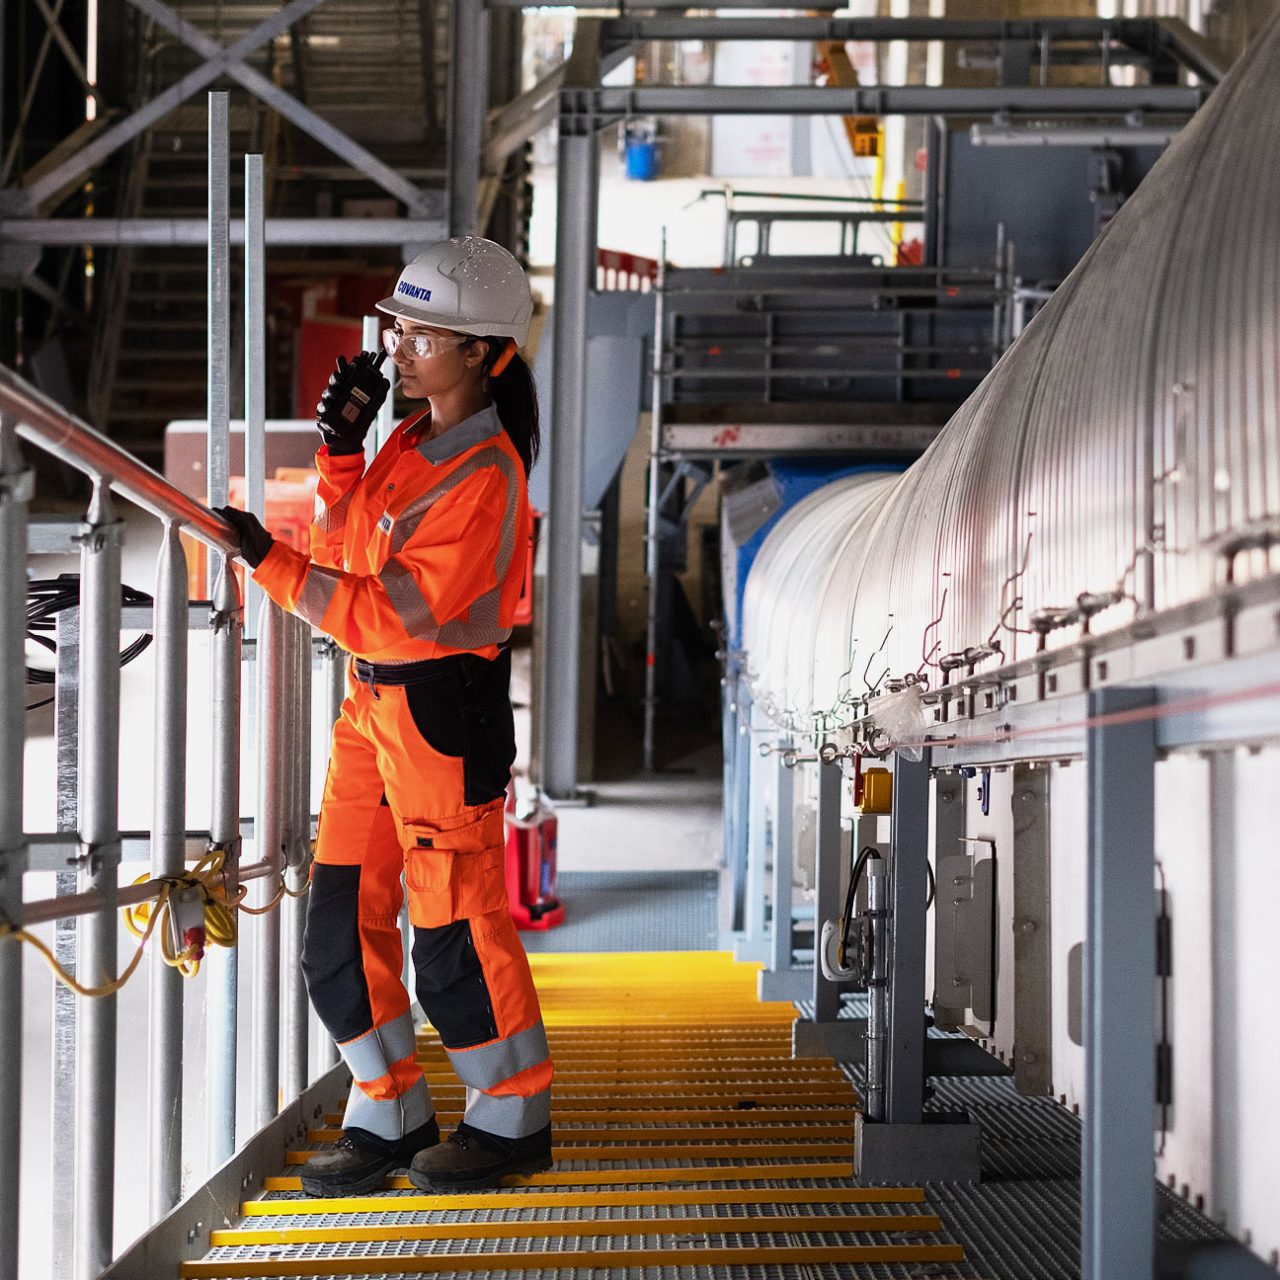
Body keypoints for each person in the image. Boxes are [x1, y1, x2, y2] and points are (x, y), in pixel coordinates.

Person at [215, 236, 553, 1196]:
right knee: (336, 927)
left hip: (439, 716)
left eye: (424, 336)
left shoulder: (486, 476)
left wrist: (271, 567)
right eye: (399, 328)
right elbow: (346, 540)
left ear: (485, 354)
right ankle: (391, 1108)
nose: (399, 350)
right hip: (373, 709)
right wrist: (337, 455)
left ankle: (513, 1113)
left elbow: (388, 612)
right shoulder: (409, 441)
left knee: (452, 935)